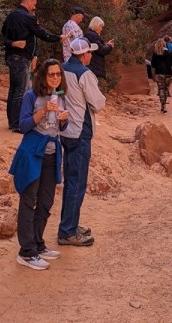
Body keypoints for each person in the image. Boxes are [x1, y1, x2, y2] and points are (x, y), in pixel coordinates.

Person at [8, 59, 70, 270]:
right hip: (33, 154)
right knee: (29, 201)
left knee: (45, 201)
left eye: (58, 74)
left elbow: (60, 127)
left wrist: (63, 119)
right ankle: (26, 252)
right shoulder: (31, 96)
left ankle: (37, 243)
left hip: (52, 154)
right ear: (43, 76)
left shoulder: (60, 96)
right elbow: (23, 125)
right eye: (51, 74)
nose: (55, 78)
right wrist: (43, 111)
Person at [57, 37, 106, 246]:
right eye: (89, 52)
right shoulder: (84, 74)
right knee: (77, 182)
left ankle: (69, 224)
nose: (91, 55)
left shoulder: (62, 69)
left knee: (71, 180)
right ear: (84, 54)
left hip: (65, 130)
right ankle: (67, 231)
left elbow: (58, 94)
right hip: (80, 132)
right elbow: (98, 103)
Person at [1, 0, 63, 132]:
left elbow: (3, 34)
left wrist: (12, 43)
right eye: (34, 4)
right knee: (20, 91)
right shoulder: (28, 17)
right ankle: (17, 124)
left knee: (13, 90)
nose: (34, 7)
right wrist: (58, 38)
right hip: (21, 57)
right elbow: (42, 34)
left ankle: (12, 122)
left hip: (11, 56)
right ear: (28, 2)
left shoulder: (10, 16)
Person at [84, 16, 114, 90]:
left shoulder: (90, 34)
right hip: (94, 66)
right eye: (101, 26)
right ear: (96, 25)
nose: (101, 29)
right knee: (95, 89)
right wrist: (109, 46)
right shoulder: (93, 36)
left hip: (93, 65)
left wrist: (107, 45)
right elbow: (102, 50)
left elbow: (99, 47)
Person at [150, 38, 172, 113]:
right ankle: (164, 105)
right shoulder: (169, 53)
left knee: (161, 89)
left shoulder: (155, 54)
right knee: (166, 90)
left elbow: (153, 65)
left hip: (159, 73)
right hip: (168, 73)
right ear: (164, 44)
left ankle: (163, 105)